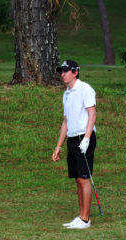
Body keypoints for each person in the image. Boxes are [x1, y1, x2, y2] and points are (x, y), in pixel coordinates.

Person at [52, 60, 97, 229]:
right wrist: (58, 146)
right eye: (61, 71)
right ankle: (80, 216)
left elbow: (92, 115)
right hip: (72, 139)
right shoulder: (66, 94)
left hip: (84, 138)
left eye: (65, 71)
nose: (62, 74)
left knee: (83, 178)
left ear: (75, 72)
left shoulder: (85, 89)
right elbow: (66, 121)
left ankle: (85, 219)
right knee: (77, 179)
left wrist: (86, 139)